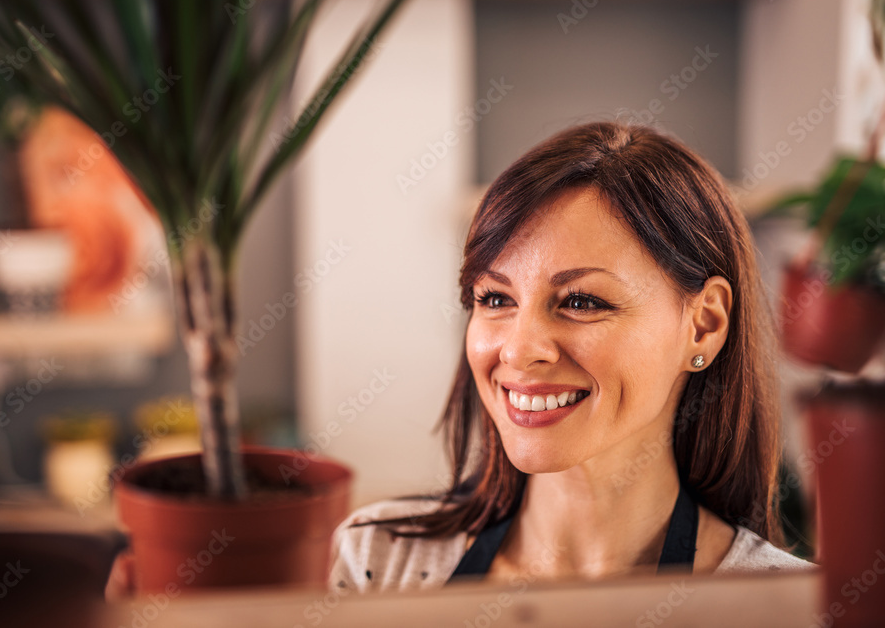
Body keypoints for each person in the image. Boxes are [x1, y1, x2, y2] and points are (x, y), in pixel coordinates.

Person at [329, 121, 817, 593]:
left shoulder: (787, 603)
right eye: (496, 299)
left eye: (581, 302)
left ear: (703, 326)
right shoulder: (378, 562)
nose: (519, 350)